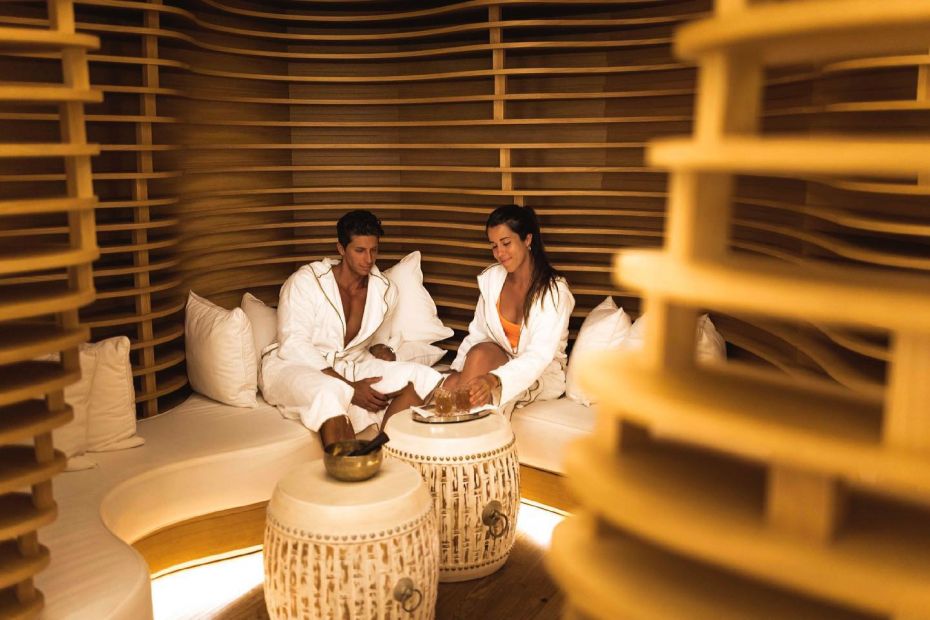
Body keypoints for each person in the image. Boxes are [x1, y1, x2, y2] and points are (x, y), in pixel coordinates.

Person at [260, 210, 442, 448]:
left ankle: (384, 452)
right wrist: (350, 388)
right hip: (292, 365)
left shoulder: (385, 291)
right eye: (359, 250)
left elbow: (372, 335)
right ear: (341, 249)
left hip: (349, 364)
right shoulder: (306, 281)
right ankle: (345, 473)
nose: (368, 259)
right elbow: (293, 344)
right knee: (329, 392)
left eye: (373, 250)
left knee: (421, 378)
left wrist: (384, 347)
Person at [443, 205, 574, 416]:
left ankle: (465, 438)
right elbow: (478, 334)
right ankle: (456, 436)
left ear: (527, 240)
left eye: (506, 243)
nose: (499, 253)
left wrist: (493, 379)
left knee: (475, 394)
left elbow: (538, 356)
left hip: (540, 373)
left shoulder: (554, 291)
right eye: (494, 246)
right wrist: (458, 371)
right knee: (450, 383)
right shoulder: (491, 280)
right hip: (501, 359)